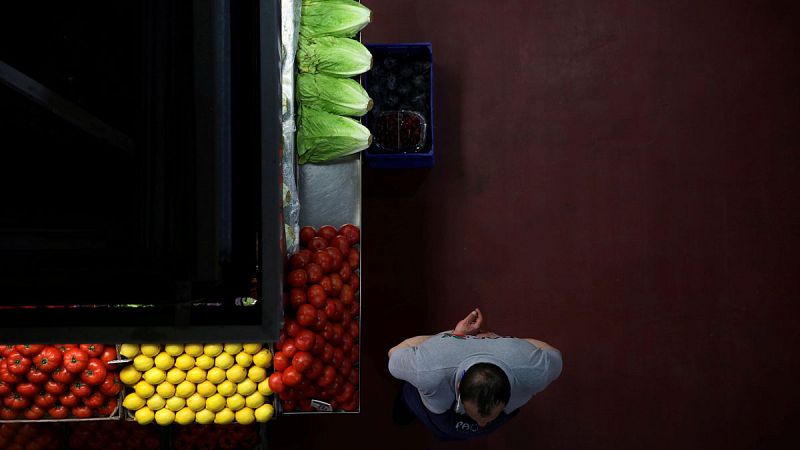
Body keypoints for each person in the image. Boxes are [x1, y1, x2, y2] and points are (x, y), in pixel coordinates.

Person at [387, 308, 563, 440]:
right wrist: (507, 345)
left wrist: (453, 338)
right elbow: (551, 352)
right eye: (481, 419)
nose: (482, 424)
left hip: (437, 414)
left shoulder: (429, 365)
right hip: (446, 415)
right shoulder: (533, 370)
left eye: (485, 420)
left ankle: (403, 415)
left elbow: (395, 352)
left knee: (413, 391)